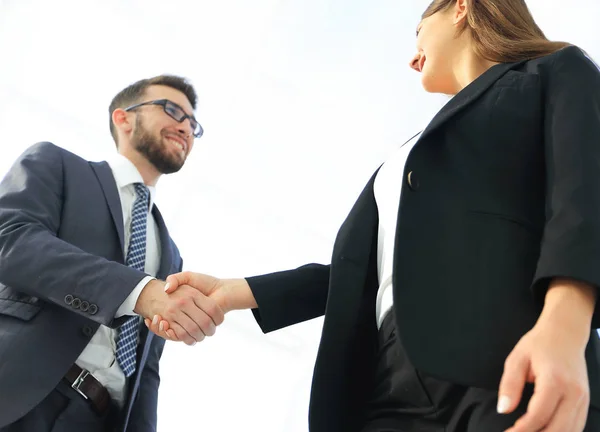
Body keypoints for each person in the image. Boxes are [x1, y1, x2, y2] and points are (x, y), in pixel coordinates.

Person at [150, 0, 600, 431]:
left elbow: (583, 197)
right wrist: (235, 291)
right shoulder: (409, 153)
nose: (411, 58)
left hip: (508, 355)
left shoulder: (555, 72)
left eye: (418, 31)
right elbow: (366, 273)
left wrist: (565, 329)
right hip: (387, 385)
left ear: (461, 7)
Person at [0, 75, 224, 432]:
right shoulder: (58, 165)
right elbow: (10, 240)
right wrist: (137, 291)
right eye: (172, 110)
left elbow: (146, 365)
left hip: (96, 419)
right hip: (17, 392)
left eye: (193, 124)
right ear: (124, 119)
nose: (185, 126)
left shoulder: (171, 254)